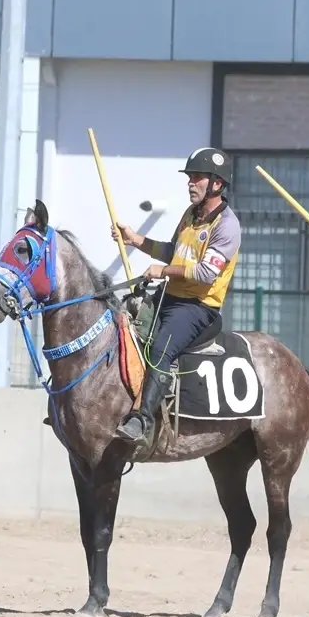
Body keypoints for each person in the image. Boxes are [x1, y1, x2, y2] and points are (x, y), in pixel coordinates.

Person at [110, 147, 242, 446]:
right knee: (121, 324)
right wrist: (136, 241)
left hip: (198, 308)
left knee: (161, 349)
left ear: (217, 184)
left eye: (197, 177)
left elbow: (207, 273)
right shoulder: (190, 215)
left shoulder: (228, 226)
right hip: (169, 297)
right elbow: (173, 252)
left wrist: (164, 271)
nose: (190, 183)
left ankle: (142, 421)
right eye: (190, 177)